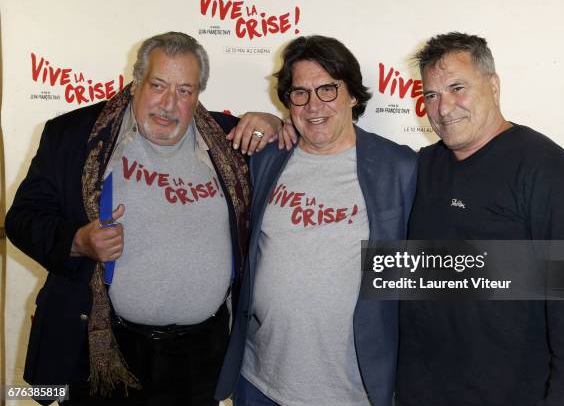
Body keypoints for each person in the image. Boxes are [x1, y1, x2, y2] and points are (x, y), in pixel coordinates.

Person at [5, 31, 291, 406]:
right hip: (101, 353)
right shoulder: (74, 135)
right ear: (136, 80)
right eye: (158, 85)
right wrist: (77, 241)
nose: (168, 104)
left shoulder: (229, 139)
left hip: (200, 359)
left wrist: (270, 119)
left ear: (199, 93)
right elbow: (22, 219)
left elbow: (298, 140)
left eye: (185, 91)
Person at [397, 32, 564, 406]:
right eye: (431, 94)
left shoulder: (548, 170)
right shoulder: (424, 167)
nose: (443, 108)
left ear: (493, 85)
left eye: (457, 87)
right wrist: (283, 128)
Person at [215, 35, 418, 406]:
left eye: (328, 89)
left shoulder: (398, 167)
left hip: (352, 391)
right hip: (259, 383)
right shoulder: (265, 159)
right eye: (300, 93)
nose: (313, 105)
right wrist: (265, 121)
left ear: (352, 95)